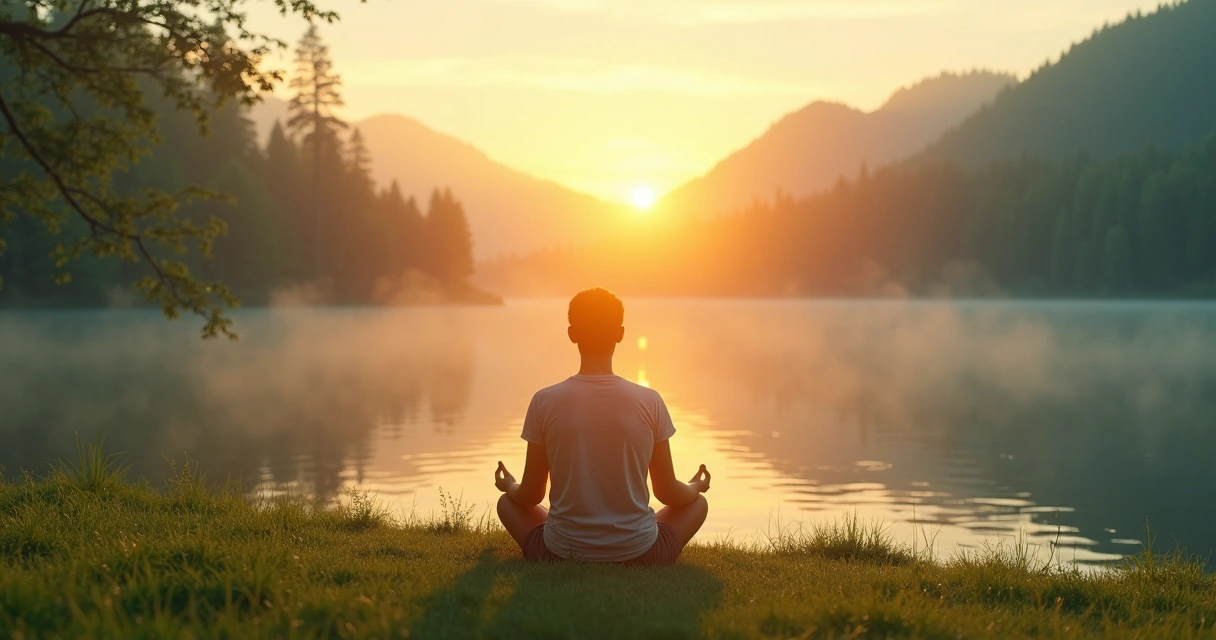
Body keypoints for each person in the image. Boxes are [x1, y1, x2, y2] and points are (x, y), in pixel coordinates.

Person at [493, 287, 711, 565]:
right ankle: (629, 533)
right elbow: (667, 492)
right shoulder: (650, 400)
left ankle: (574, 534)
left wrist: (509, 485)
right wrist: (695, 486)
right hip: (642, 553)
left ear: (572, 334)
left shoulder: (544, 400)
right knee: (698, 504)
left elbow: (531, 495)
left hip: (559, 553)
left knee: (506, 504)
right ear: (620, 334)